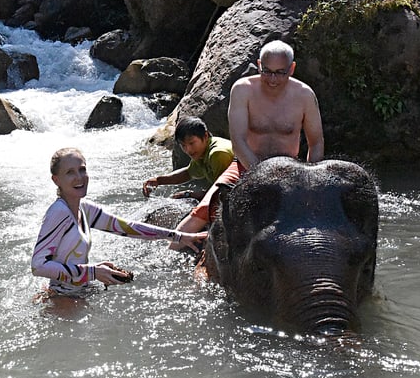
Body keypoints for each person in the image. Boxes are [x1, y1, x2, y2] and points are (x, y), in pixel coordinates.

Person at [32, 147, 207, 295]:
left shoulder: (84, 208)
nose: (79, 177)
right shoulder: (58, 212)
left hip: (78, 293)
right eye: (70, 172)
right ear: (56, 180)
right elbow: (38, 265)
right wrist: (93, 272)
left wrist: (178, 236)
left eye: (82, 169)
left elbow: (126, 227)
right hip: (62, 299)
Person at [224, 39, 325, 181]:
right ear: (259, 65)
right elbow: (238, 141)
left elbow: (316, 143)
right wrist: (260, 175)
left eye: (280, 73)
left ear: (291, 68)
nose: (272, 79)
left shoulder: (305, 95)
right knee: (208, 203)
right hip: (246, 166)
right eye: (267, 71)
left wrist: (310, 179)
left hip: (289, 168)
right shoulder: (242, 89)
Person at [141, 116, 235, 234]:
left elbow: (222, 194)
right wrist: (158, 180)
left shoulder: (217, 154)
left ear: (205, 136)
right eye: (183, 145)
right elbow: (188, 173)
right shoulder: (203, 151)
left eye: (191, 143)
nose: (188, 150)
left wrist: (189, 194)